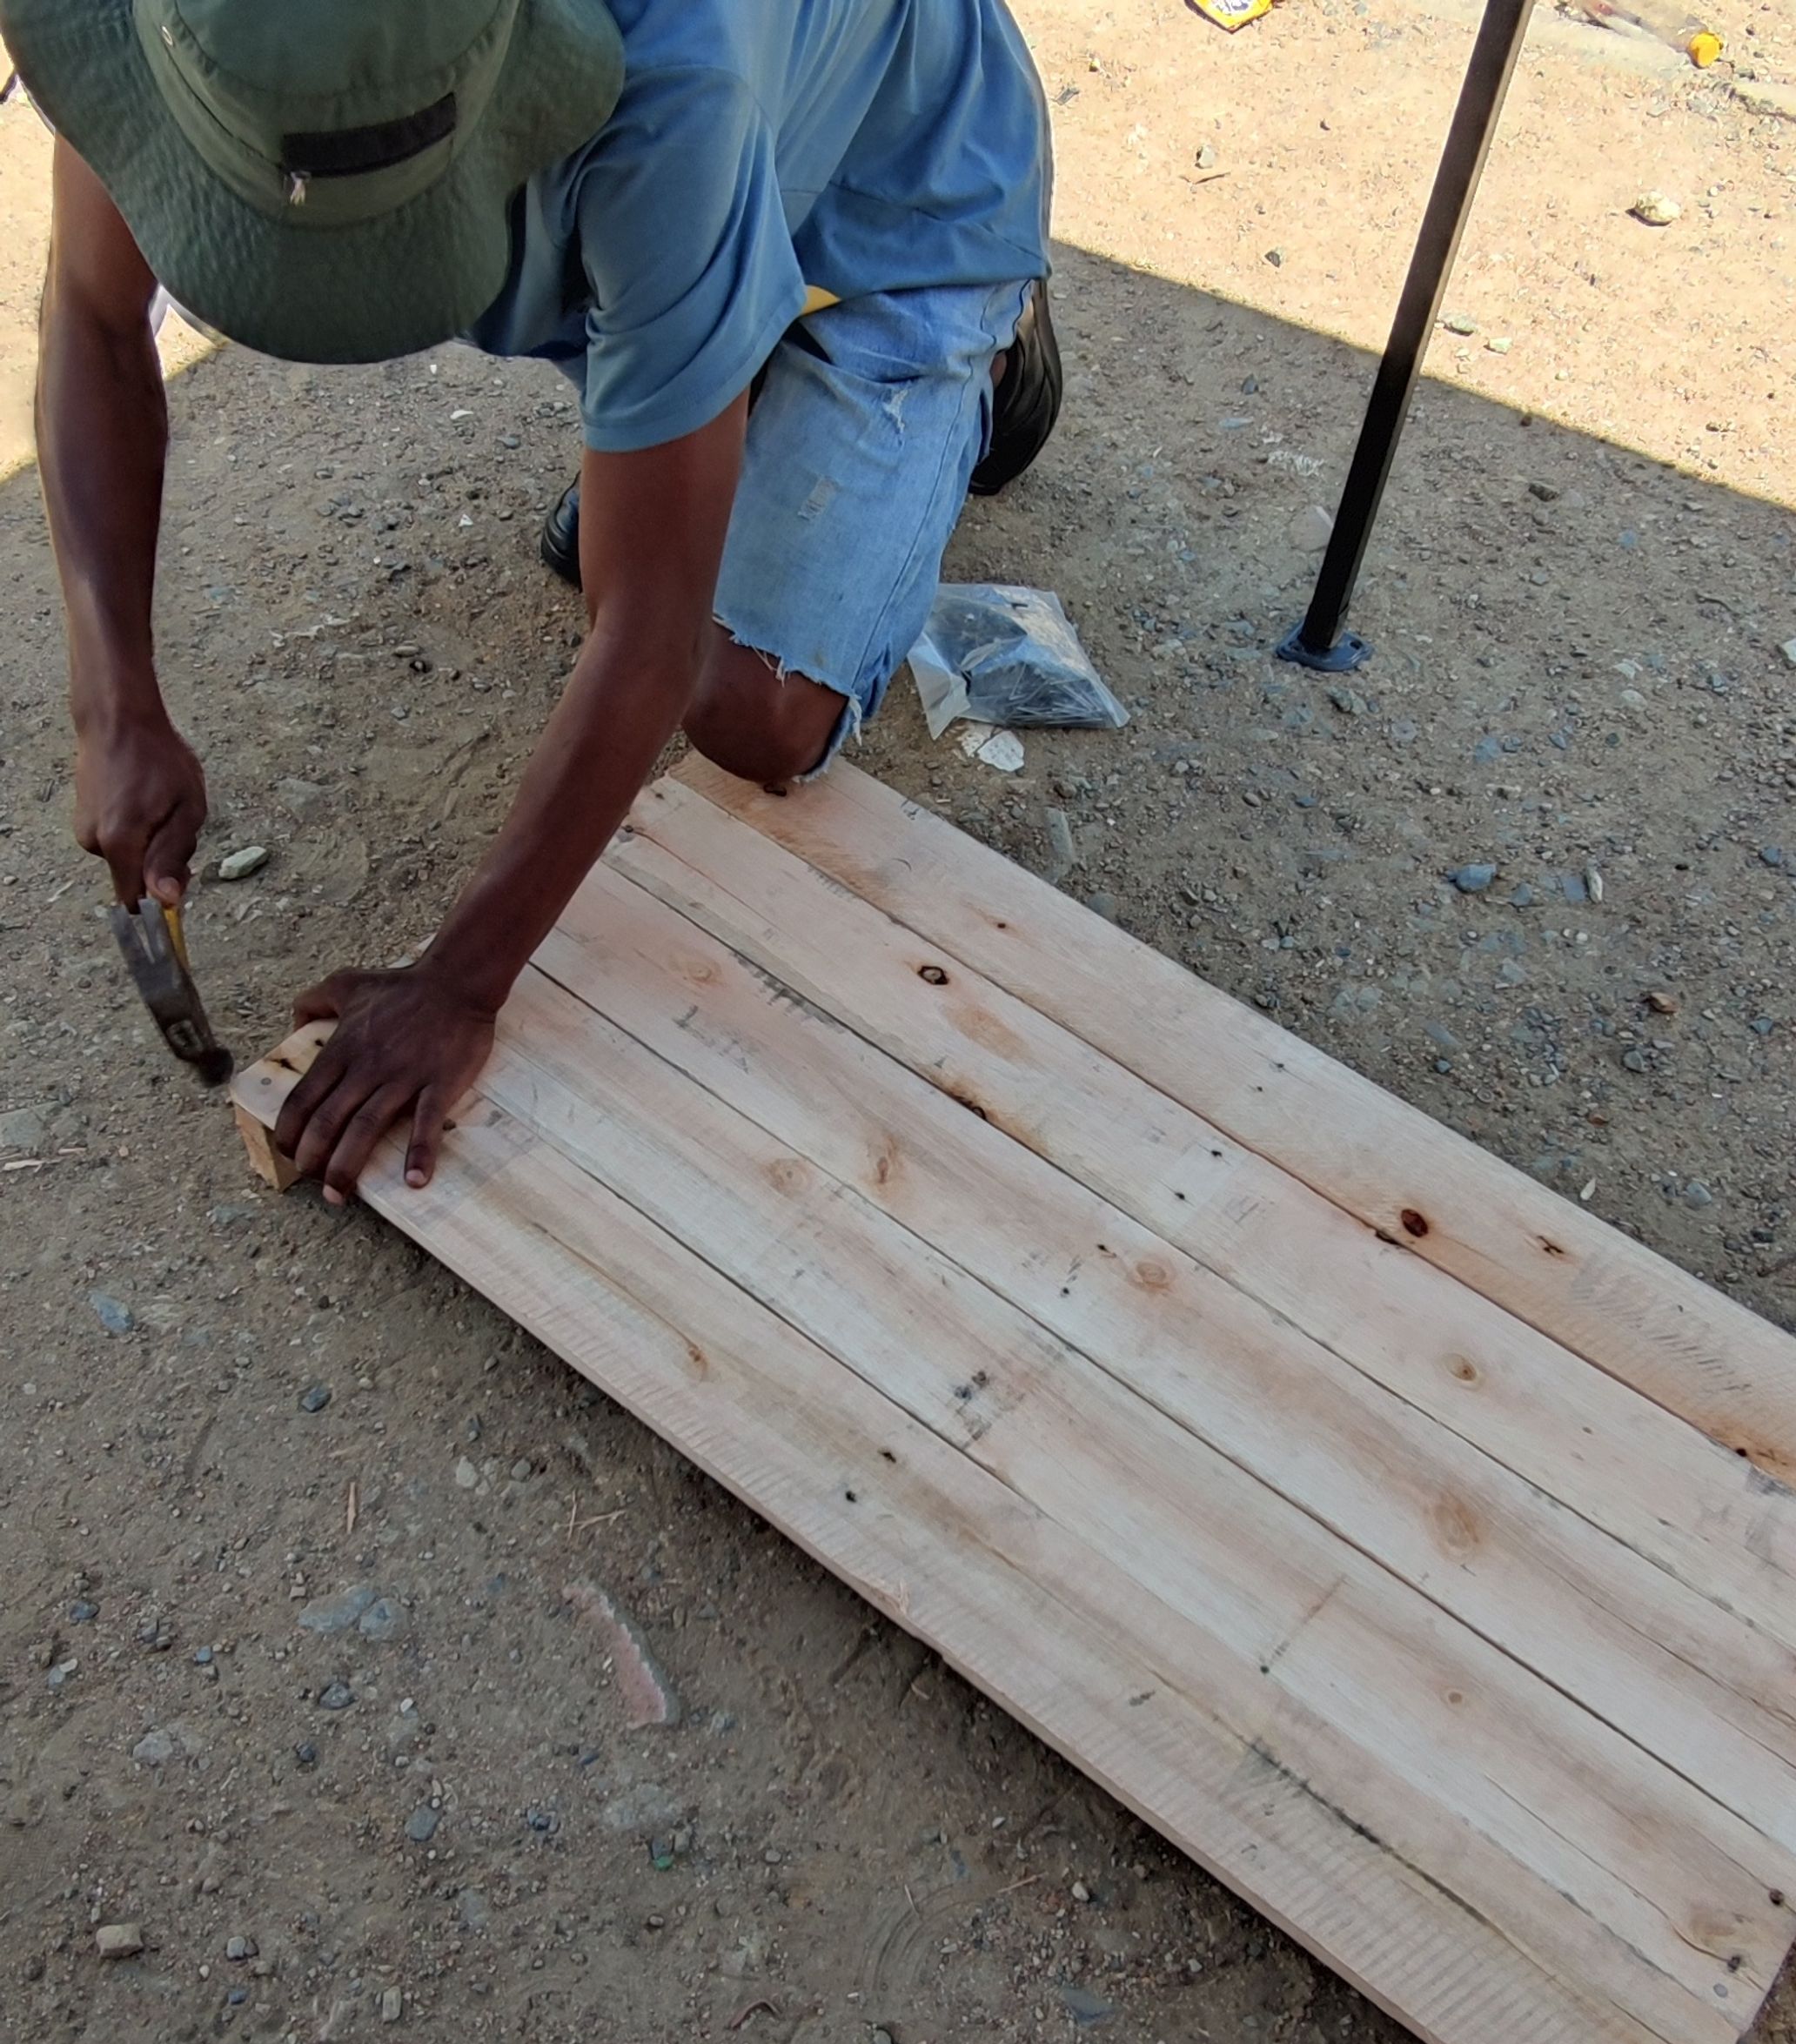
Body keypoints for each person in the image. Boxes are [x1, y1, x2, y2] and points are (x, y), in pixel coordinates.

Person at [3, 0, 1059, 1201]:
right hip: (686, 178)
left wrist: (460, 983)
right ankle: (711, 376)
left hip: (892, 197)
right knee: (645, 376)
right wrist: (113, 702)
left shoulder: (675, 92)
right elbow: (94, 314)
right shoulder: (179, 25)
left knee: (750, 709)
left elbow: (650, 632)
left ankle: (981, 345)